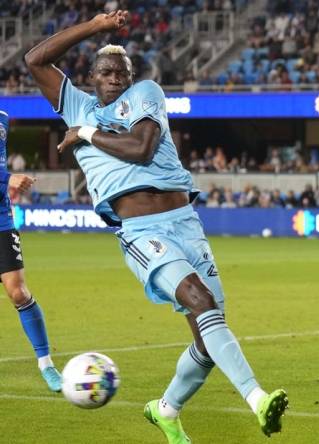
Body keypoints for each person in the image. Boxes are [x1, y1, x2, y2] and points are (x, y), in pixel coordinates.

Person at [25, 11, 287, 443]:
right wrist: (94, 27)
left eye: (121, 73)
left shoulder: (144, 93)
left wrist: (86, 133)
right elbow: (35, 59)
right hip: (142, 230)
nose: (114, 79)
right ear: (91, 77)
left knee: (207, 335)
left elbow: (142, 148)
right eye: (106, 72)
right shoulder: (75, 104)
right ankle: (258, 398)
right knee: (200, 300)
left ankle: (165, 410)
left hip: (184, 221)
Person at [0, 110, 62, 392]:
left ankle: (46, 364)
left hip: (1, 219)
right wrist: (7, 178)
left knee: (18, 292)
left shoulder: (2, 117)